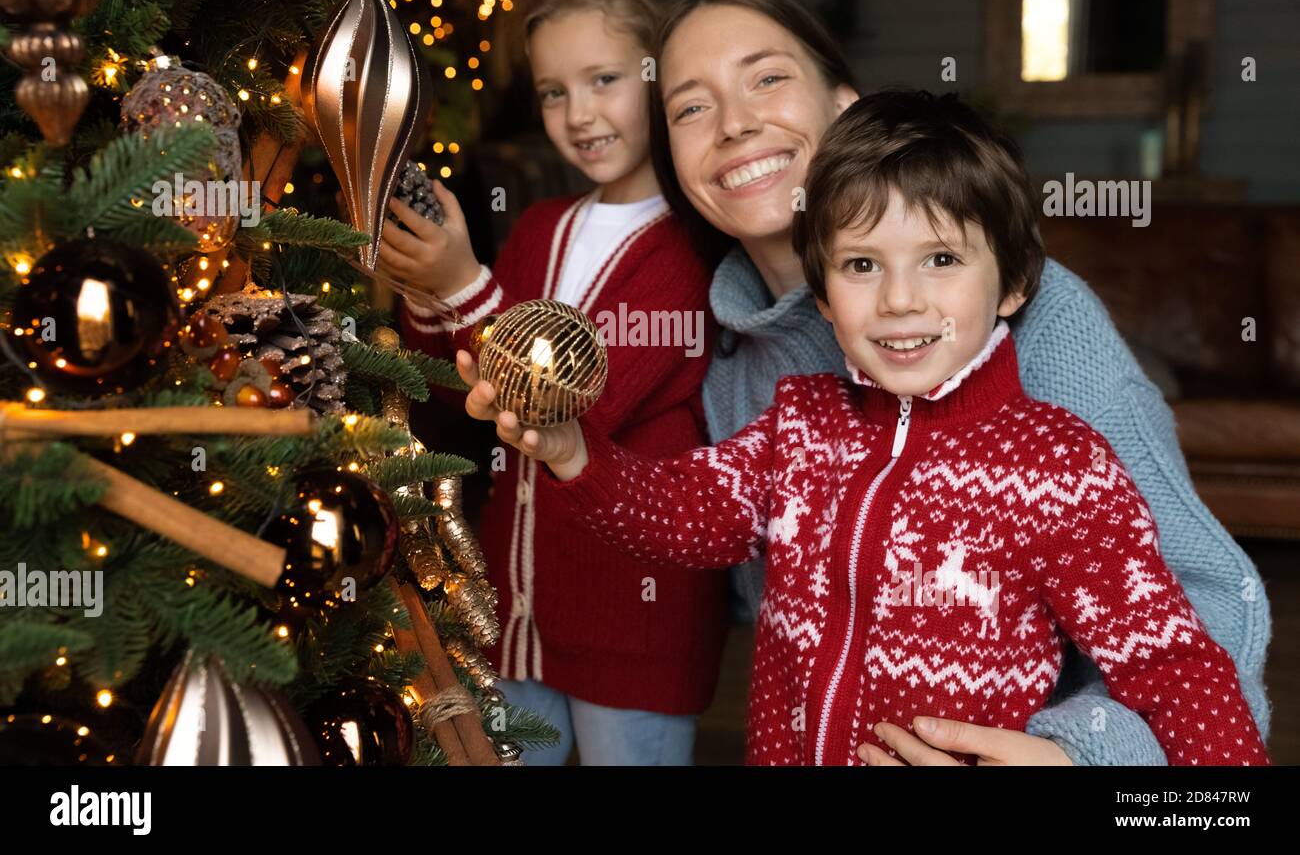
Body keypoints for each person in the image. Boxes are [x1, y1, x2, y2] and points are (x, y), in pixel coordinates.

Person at [457, 88, 1270, 767]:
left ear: (1015, 280)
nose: (900, 300)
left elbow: (1179, 675)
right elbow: (685, 515)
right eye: (861, 264)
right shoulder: (803, 424)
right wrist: (573, 451)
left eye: (941, 259)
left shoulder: (1058, 467)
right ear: (823, 297)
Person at [643, 0, 1270, 766]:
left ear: (846, 109)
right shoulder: (730, 357)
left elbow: (1207, 620)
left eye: (766, 77)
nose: (733, 124)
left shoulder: (1043, 321)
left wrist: (1077, 755)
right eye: (690, 106)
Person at [380, 0, 730, 765]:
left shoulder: (691, 245)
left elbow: (580, 401)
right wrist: (427, 290)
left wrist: (464, 283)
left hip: (636, 622)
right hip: (516, 617)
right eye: (553, 92)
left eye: (604, 79)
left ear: (658, 79)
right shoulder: (541, 226)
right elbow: (452, 376)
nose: (578, 114)